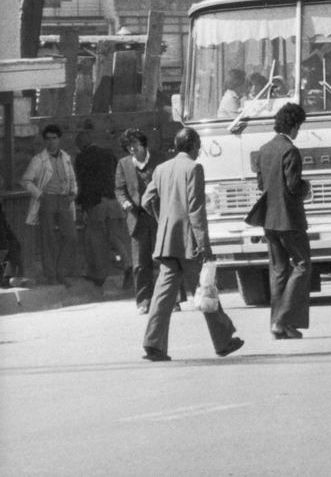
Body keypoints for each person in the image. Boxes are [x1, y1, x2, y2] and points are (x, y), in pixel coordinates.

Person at [141, 127, 243, 361]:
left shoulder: (161, 168)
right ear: (194, 145)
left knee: (163, 295)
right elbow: (196, 209)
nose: (199, 150)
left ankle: (153, 344)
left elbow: (147, 200)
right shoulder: (194, 168)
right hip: (188, 243)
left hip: (167, 241)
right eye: (198, 146)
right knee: (206, 289)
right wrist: (204, 245)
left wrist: (164, 219)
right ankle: (224, 341)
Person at [256, 102, 311, 340]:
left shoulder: (264, 149)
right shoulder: (291, 150)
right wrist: (306, 187)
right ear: (294, 125)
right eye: (298, 126)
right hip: (290, 219)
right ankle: (283, 319)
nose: (298, 131)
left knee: (278, 271)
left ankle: (276, 325)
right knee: (302, 265)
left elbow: (261, 185)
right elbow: (293, 186)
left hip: (269, 219)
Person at [21, 124, 79, 286]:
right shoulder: (39, 159)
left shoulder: (66, 157)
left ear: (59, 139)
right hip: (47, 200)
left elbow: (72, 179)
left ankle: (61, 272)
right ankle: (51, 275)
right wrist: (40, 195)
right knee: (48, 238)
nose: (51, 142)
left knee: (71, 237)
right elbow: (25, 180)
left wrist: (73, 194)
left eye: (54, 138)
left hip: (64, 200)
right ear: (44, 140)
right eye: (48, 139)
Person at [74, 130, 132, 290]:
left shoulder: (81, 158)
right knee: (115, 237)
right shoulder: (108, 154)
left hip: (97, 204)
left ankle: (99, 276)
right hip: (114, 201)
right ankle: (128, 266)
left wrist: (84, 208)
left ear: (80, 145)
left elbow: (83, 184)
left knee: (95, 240)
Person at [115, 128, 161, 314]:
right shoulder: (123, 164)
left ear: (142, 143)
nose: (131, 148)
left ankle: (173, 299)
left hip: (158, 217)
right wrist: (124, 202)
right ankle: (144, 301)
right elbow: (119, 189)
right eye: (128, 145)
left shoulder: (159, 159)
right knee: (140, 264)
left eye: (134, 144)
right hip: (137, 218)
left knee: (165, 260)